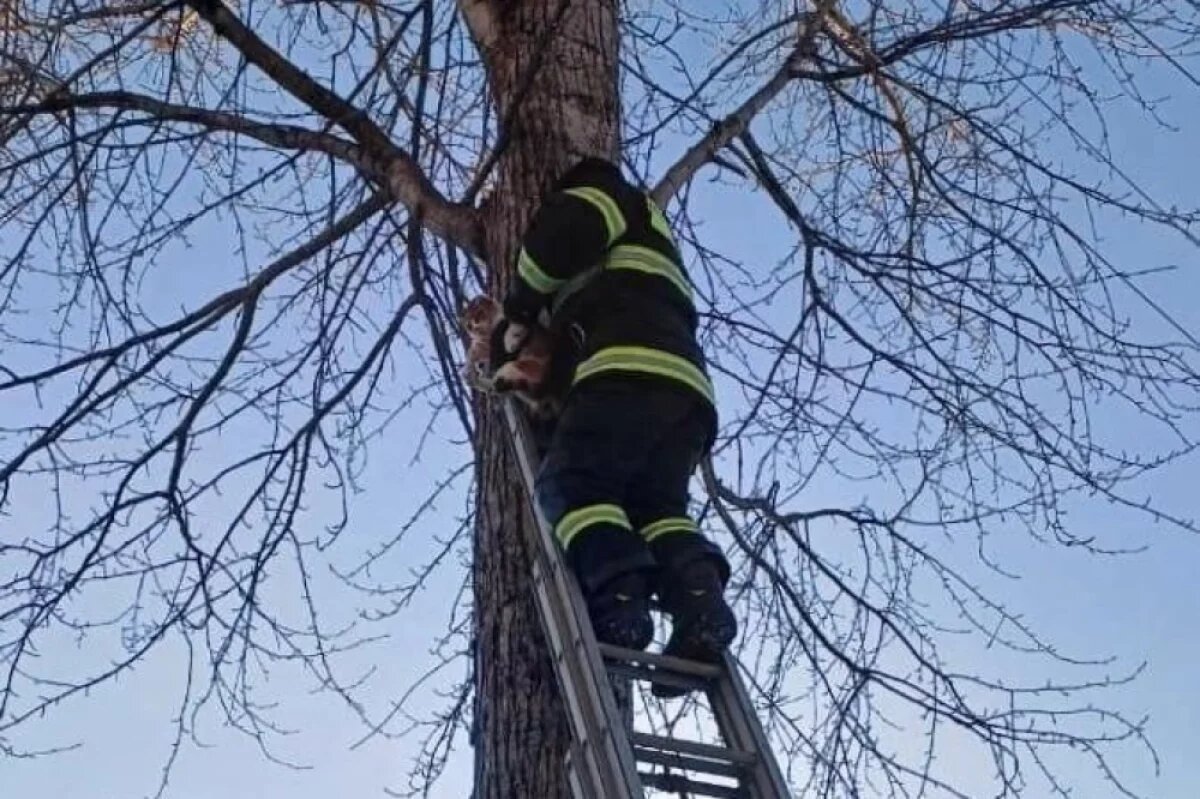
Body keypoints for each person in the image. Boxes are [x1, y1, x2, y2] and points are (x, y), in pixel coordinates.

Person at [498, 156, 737, 677]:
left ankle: (619, 598)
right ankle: (701, 605)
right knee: (657, 508)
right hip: (686, 393)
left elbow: (559, 238)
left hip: (626, 370)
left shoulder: (606, 197)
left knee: (572, 485)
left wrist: (519, 303)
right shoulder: (648, 238)